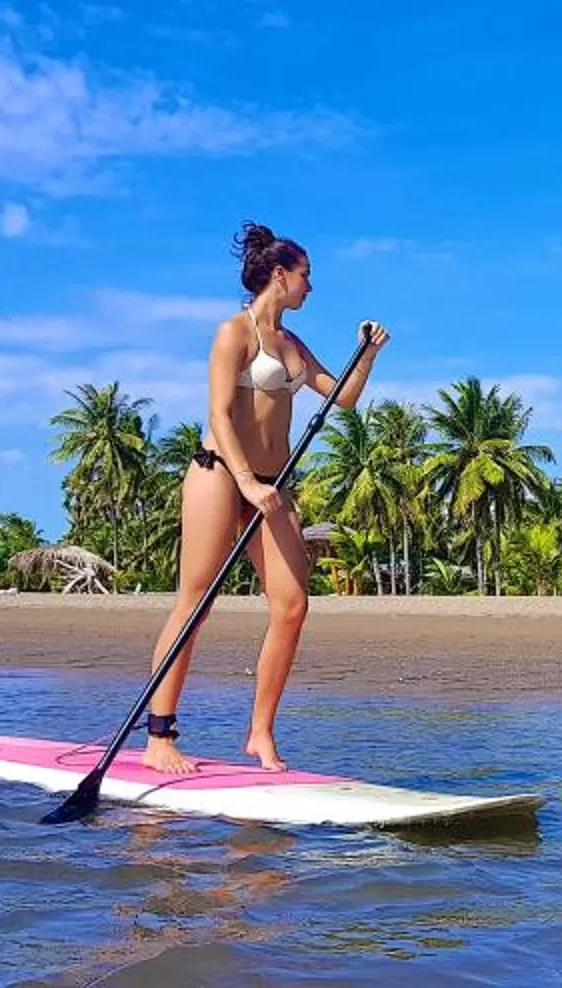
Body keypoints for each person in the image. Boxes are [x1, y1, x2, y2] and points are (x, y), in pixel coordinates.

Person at [139, 221, 387, 773]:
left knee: (293, 605)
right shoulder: (235, 332)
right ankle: (159, 736)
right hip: (221, 475)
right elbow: (219, 415)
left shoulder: (292, 344)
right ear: (280, 275)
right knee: (196, 603)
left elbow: (342, 398)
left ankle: (259, 733)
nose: (310, 288)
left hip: (273, 487)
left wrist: (367, 352)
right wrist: (247, 479)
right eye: (306, 277)